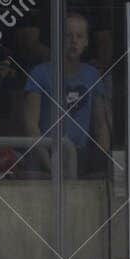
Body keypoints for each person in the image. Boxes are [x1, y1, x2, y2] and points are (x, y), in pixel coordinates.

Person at [22, 10, 110, 177]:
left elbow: (101, 126)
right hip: (46, 155)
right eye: (68, 36)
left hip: (82, 158)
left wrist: (99, 161)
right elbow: (31, 126)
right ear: (57, 39)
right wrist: (51, 167)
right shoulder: (39, 73)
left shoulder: (92, 75)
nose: (74, 41)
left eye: (80, 36)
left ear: (86, 42)